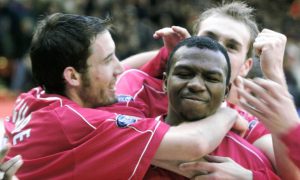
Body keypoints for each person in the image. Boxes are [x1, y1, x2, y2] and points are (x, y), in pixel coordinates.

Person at [4, 13, 242, 179]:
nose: (119, 68)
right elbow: (194, 143)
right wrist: (230, 111)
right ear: (73, 76)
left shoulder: (34, 98)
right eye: (108, 60)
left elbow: (127, 72)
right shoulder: (83, 125)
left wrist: (166, 56)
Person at [117, 36, 278, 179]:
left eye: (211, 78)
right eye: (184, 73)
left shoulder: (251, 164)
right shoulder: (124, 139)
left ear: (226, 92)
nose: (196, 85)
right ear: (165, 82)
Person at [236, 28, 300, 177]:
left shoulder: (253, 128)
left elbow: (293, 176)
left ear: (246, 66)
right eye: (209, 38)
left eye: (231, 46)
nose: (217, 49)